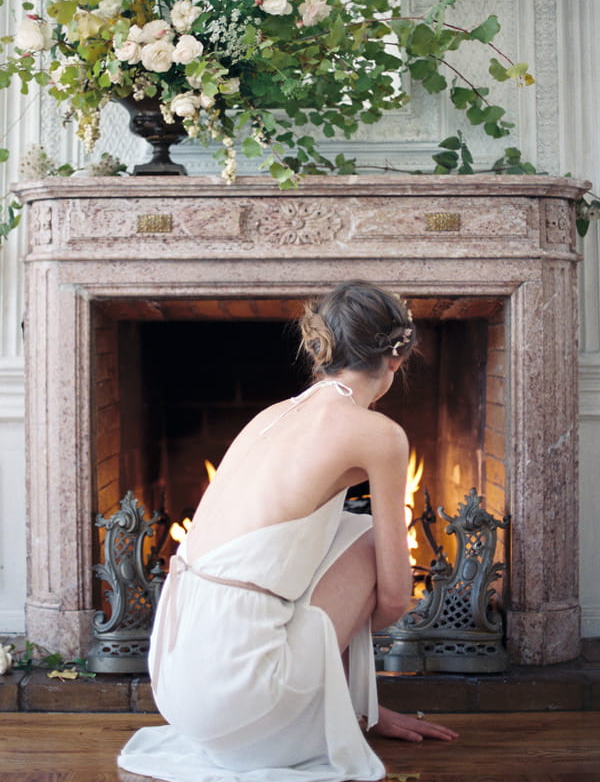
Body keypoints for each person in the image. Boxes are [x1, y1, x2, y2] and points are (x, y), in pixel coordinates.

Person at [118, 280, 457, 782]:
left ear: (324, 349)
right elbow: (395, 599)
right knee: (363, 537)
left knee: (335, 531)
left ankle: (346, 708)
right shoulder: (379, 435)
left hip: (177, 682)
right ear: (397, 356)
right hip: (244, 700)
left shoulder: (272, 415)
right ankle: (334, 711)